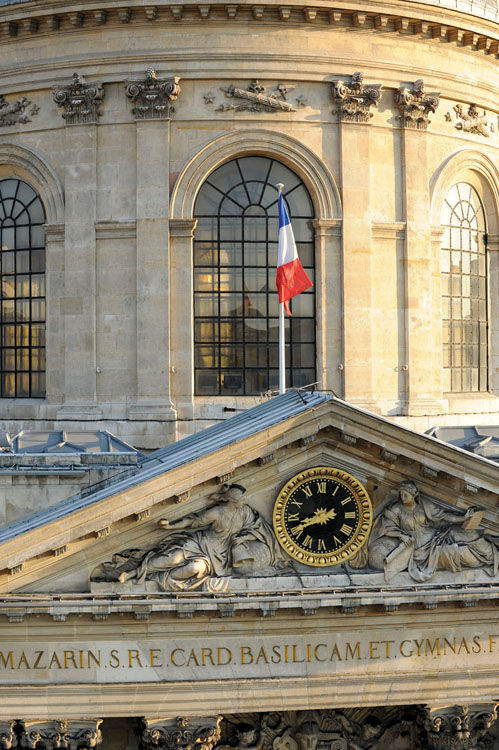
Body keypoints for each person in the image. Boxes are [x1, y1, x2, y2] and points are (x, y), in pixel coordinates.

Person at [99, 483, 286, 591]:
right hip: (200, 544)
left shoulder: (245, 512)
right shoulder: (217, 512)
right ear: (233, 500)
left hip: (220, 557)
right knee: (173, 557)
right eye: (242, 499)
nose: (245, 501)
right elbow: (192, 521)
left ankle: (159, 579)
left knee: (194, 568)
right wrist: (170, 525)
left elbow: (257, 527)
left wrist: (244, 540)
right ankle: (135, 572)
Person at [366, 480, 499, 582]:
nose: (403, 497)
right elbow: (387, 528)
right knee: (456, 549)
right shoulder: (396, 509)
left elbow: (444, 516)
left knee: (466, 533)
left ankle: (491, 553)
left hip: (433, 535)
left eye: (406, 494)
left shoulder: (424, 505)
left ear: (414, 495)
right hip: (418, 545)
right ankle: (489, 558)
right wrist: (402, 536)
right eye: (401, 494)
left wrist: (463, 518)